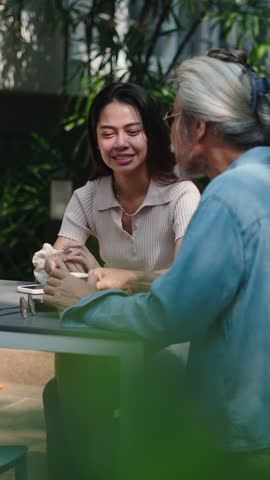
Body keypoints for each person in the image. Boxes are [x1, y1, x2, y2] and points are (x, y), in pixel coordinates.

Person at [44, 49, 270, 477]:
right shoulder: (261, 181)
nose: (168, 133)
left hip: (239, 431)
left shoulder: (224, 198)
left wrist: (85, 300)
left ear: (197, 126)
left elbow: (167, 316)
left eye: (169, 120)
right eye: (107, 133)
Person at [39, 81, 200, 480]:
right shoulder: (89, 197)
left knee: (90, 391)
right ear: (96, 141)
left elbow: (186, 279)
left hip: (170, 340)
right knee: (64, 382)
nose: (120, 143)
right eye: (107, 133)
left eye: (132, 130)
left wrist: (123, 278)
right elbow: (54, 261)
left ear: (151, 134)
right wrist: (66, 267)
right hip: (112, 330)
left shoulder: (182, 195)